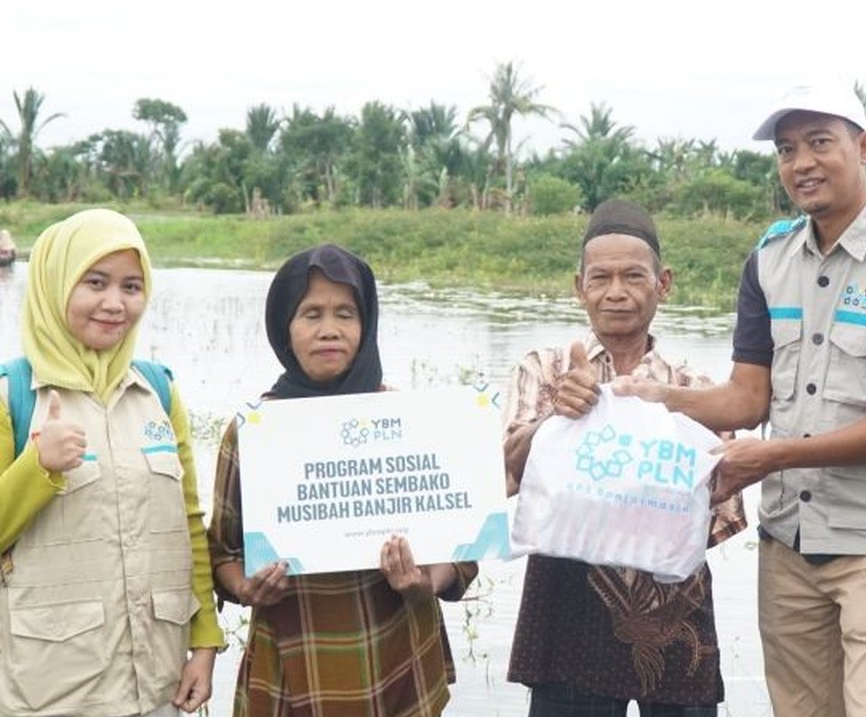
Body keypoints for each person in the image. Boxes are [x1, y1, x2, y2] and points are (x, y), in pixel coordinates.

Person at [616, 84, 866, 717]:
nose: (802, 162)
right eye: (787, 149)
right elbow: (748, 398)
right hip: (789, 541)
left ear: (865, 146)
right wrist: (658, 397)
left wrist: (769, 458)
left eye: (820, 143)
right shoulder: (769, 258)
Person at [502, 198, 748, 716]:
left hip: (672, 619)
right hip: (564, 612)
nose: (616, 293)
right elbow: (508, 471)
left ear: (663, 284)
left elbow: (720, 519)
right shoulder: (545, 372)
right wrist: (557, 419)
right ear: (579, 287)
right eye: (600, 278)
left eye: (634, 277)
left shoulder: (695, 392)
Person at [207, 244, 477, 716]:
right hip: (295, 660)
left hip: (397, 659)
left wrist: (424, 582)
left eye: (345, 314)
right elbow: (223, 552)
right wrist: (246, 587)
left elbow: (463, 544)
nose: (328, 329)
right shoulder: (254, 431)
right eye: (310, 313)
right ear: (284, 330)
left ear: (366, 324)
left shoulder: (410, 423)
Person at [0, 208, 223, 716]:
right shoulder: (11, 393)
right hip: (48, 695)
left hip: (158, 687)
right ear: (56, 285)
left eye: (131, 286)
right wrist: (39, 466)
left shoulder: (158, 392)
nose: (115, 303)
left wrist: (205, 642)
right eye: (96, 283)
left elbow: (187, 527)